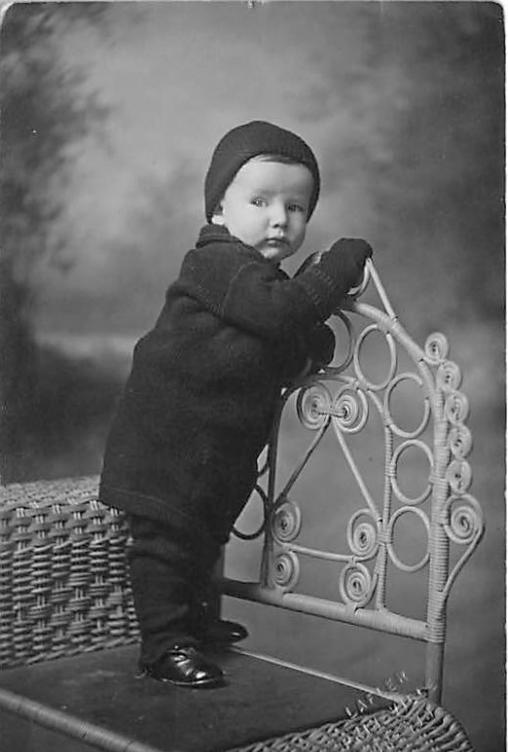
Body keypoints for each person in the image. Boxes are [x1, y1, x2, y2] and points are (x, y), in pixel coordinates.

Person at [99, 120, 372, 689]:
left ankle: (196, 624)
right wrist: (333, 270)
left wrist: (308, 341)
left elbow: (282, 336)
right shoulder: (218, 263)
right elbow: (281, 316)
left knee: (205, 536)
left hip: (210, 448)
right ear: (219, 210)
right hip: (165, 440)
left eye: (297, 207)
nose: (280, 218)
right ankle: (164, 645)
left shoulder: (259, 284)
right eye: (260, 201)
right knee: (165, 544)